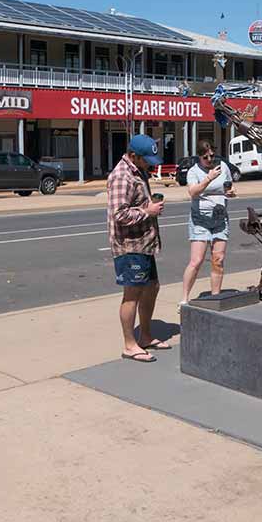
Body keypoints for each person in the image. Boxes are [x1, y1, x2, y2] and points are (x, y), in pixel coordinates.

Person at [107, 133, 169, 363]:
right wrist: (147, 212)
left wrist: (149, 205)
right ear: (133, 156)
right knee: (132, 294)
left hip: (145, 243)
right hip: (129, 245)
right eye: (146, 161)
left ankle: (145, 335)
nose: (149, 166)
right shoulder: (122, 176)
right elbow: (119, 214)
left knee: (152, 287)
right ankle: (129, 345)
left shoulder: (138, 171)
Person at [180, 140, 236, 309]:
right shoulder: (194, 171)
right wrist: (208, 178)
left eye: (212, 155)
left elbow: (228, 187)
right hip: (200, 220)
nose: (210, 159)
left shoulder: (223, 167)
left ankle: (215, 297)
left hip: (220, 219)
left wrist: (230, 193)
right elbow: (193, 191)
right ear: (199, 156)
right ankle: (184, 298)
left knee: (218, 260)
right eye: (206, 157)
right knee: (196, 261)